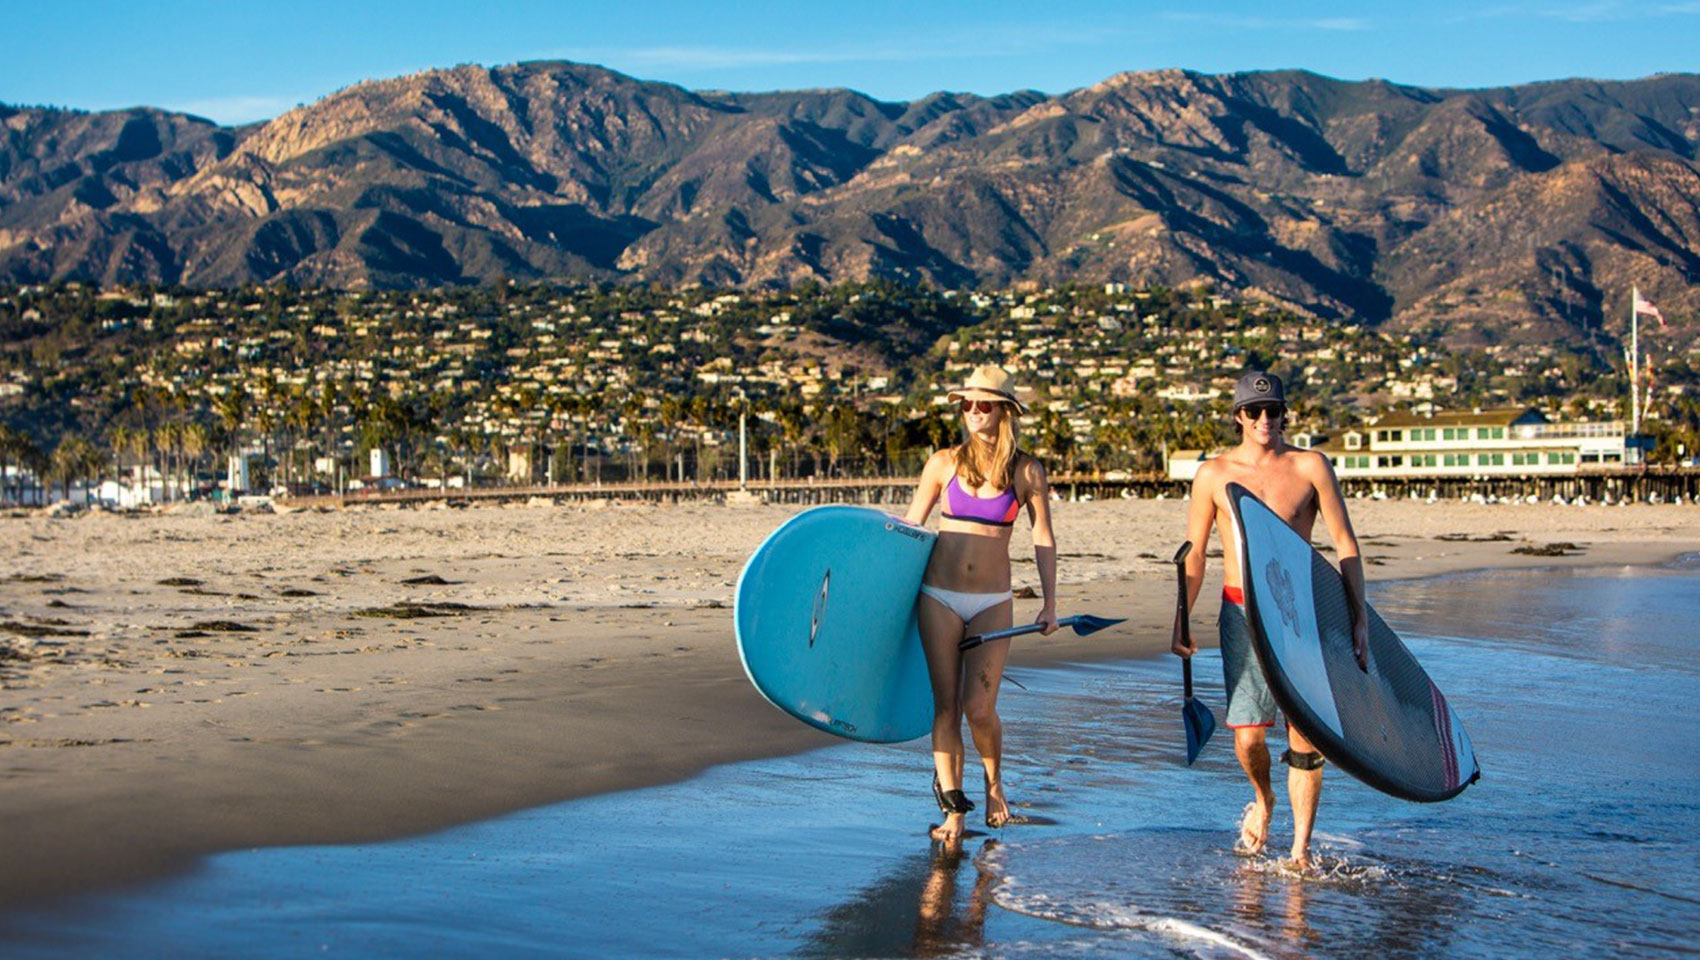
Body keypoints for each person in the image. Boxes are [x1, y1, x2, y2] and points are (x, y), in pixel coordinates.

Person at [1171, 371, 1368, 870]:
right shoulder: (1214, 475)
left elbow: (1345, 544)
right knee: (1249, 736)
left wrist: (1358, 618)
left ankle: (1300, 850)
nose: (1265, 420)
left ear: (1285, 414)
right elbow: (1195, 555)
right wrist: (1182, 619)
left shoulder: (1311, 467)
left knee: (1306, 735)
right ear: (1238, 416)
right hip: (1241, 611)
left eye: (1274, 410)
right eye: (1255, 411)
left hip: (1302, 613)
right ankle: (1263, 798)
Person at [903, 365, 1058, 844]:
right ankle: (953, 812)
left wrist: (1050, 603)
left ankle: (994, 785)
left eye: (983, 404)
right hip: (939, 598)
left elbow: (1043, 537)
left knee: (979, 708)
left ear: (1005, 410)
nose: (972, 411)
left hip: (993, 600)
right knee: (945, 707)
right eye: (966, 404)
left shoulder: (1026, 470)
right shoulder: (943, 463)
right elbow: (910, 529)